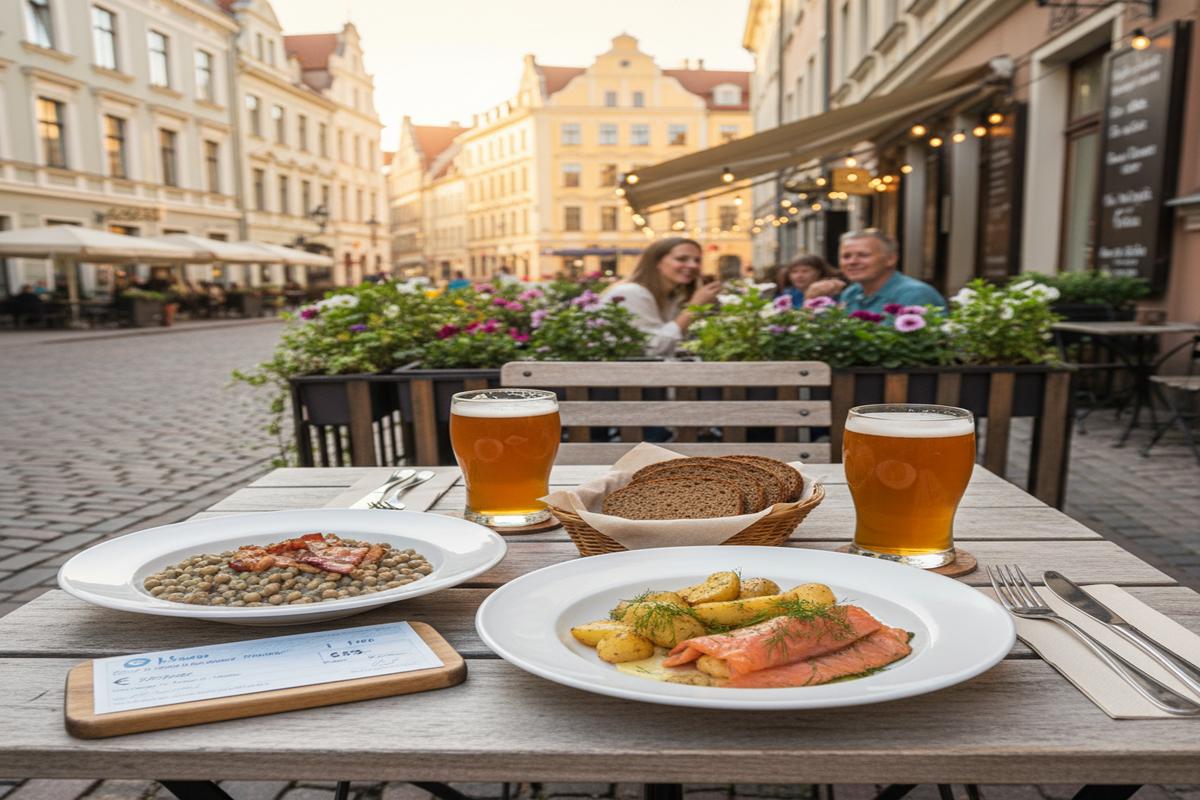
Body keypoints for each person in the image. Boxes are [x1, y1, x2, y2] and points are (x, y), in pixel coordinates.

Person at [600, 237, 722, 358]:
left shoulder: (673, 296)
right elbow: (654, 349)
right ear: (656, 262)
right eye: (681, 259)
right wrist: (694, 307)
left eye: (697, 260)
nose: (693, 265)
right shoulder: (630, 293)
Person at [805, 229, 946, 313]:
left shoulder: (915, 294)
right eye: (846, 256)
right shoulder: (852, 293)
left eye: (863, 255)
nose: (852, 262)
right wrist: (811, 300)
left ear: (890, 259)